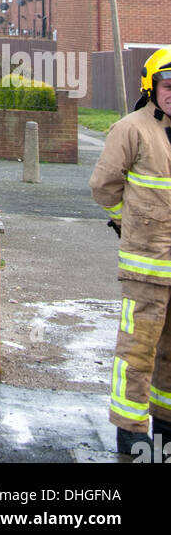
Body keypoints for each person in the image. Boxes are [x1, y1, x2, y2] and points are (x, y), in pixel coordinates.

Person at [90, 46, 171, 457]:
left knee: (170, 354)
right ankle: (131, 429)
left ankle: (165, 425)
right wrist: (130, 222)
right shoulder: (131, 129)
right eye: (168, 84)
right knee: (137, 351)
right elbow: (103, 186)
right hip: (145, 267)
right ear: (151, 87)